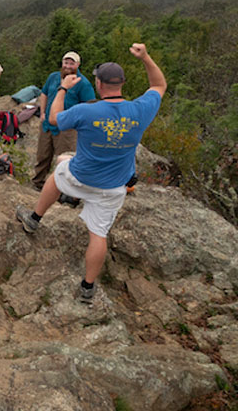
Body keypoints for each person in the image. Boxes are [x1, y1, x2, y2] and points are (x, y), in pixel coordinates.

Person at [16, 43, 166, 307]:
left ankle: (34, 218)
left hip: (81, 176)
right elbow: (159, 85)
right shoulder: (139, 110)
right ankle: (87, 287)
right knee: (98, 235)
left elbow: (54, 117)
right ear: (122, 83)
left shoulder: (87, 111)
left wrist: (63, 88)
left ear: (97, 83)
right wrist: (145, 58)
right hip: (112, 186)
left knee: (59, 170)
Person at [32, 51, 96, 190]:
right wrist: (42, 112)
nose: (68, 66)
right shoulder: (53, 77)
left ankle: (64, 189)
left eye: (71, 63)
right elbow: (44, 94)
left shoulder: (83, 83)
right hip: (48, 124)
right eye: (66, 62)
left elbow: (90, 105)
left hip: (68, 128)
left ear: (78, 65)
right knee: (43, 155)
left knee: (65, 159)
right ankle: (38, 183)